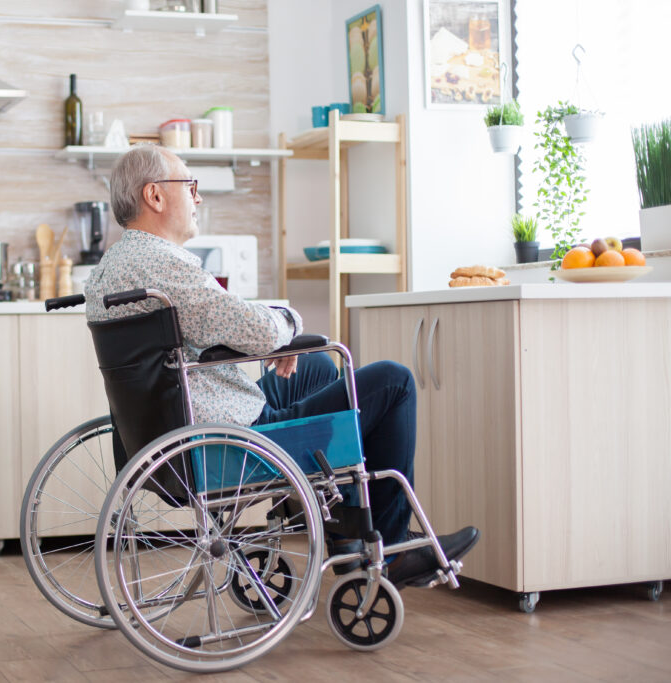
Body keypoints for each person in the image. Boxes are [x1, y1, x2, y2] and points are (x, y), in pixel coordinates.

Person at [84, 144, 478, 587]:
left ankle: (340, 535)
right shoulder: (165, 266)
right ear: (155, 196)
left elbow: (234, 323)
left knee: (314, 370)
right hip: (229, 439)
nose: (198, 198)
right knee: (393, 381)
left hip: (178, 426)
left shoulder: (111, 266)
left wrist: (271, 334)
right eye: (190, 186)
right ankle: (388, 547)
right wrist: (286, 325)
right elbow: (258, 330)